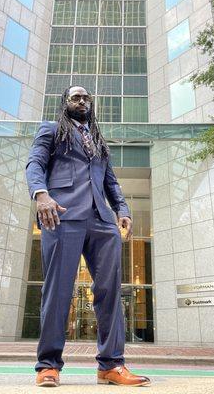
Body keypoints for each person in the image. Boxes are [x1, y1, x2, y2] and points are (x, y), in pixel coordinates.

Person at [26, 86, 151, 388]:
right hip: (61, 215)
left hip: (101, 221)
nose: (81, 101)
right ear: (65, 103)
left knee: (110, 292)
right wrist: (41, 195)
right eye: (75, 97)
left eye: (86, 98)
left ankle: (111, 365)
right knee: (57, 292)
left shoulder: (97, 140)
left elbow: (110, 179)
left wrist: (122, 208)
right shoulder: (52, 130)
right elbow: (35, 164)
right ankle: (48, 365)